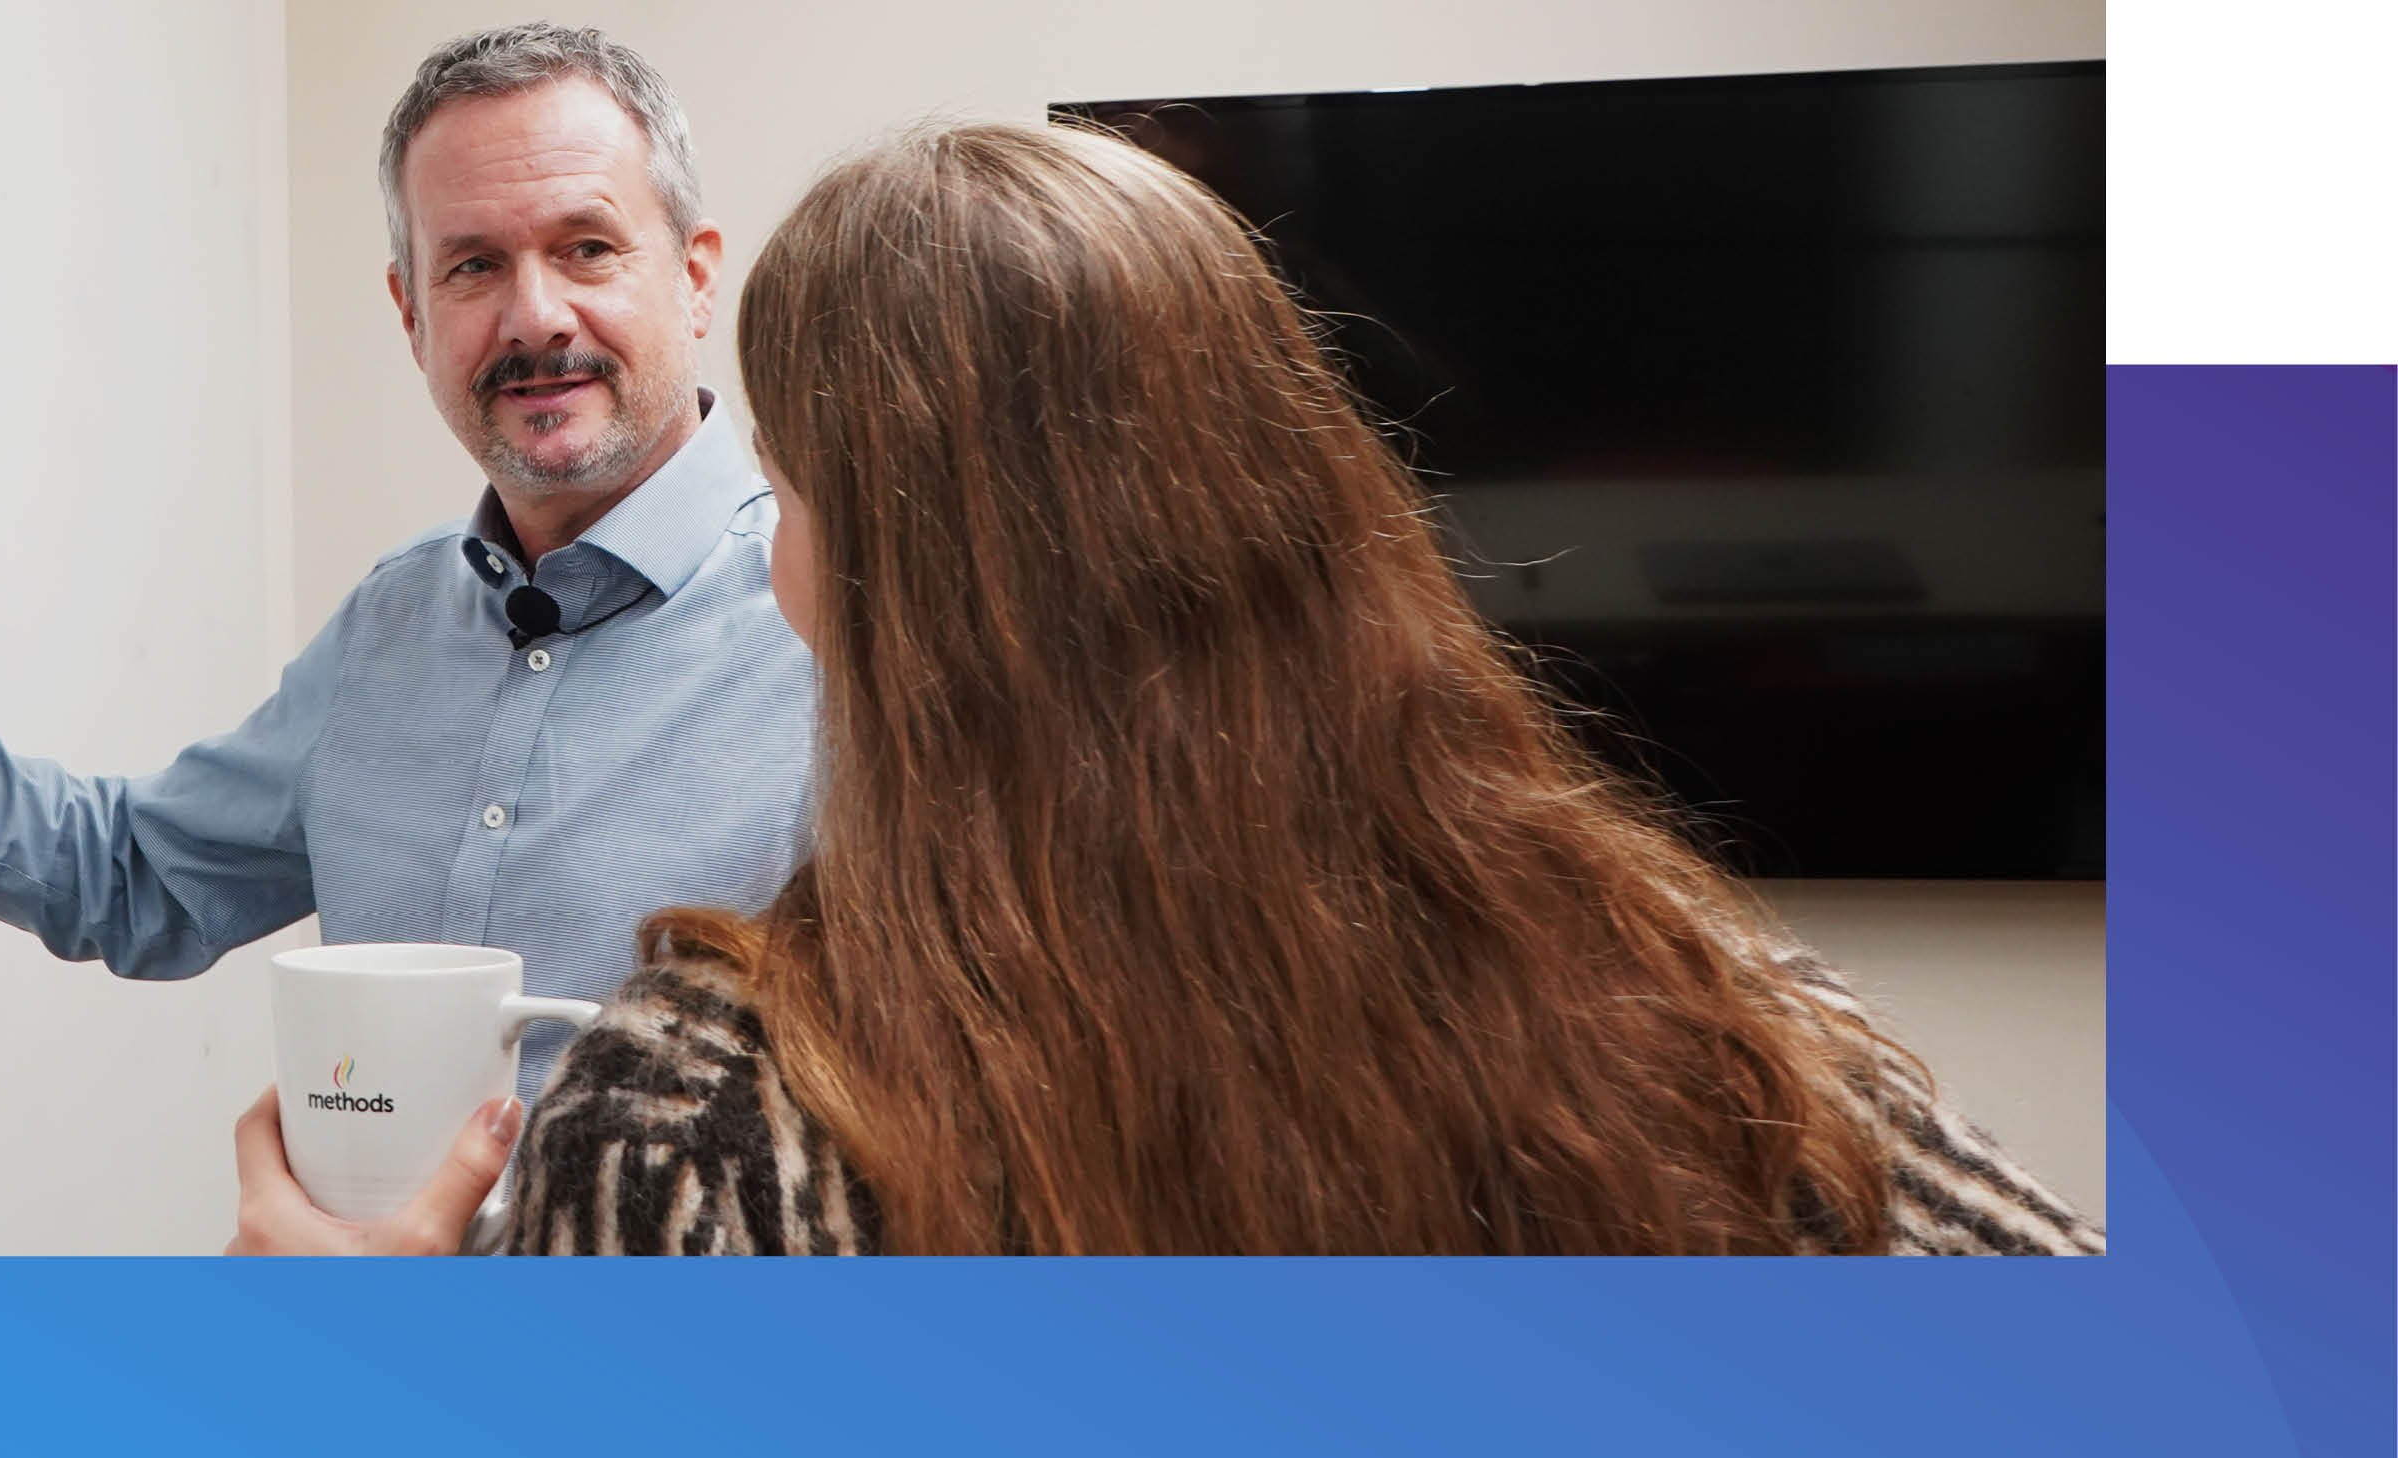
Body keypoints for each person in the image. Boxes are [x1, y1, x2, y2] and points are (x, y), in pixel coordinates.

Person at [229, 120, 2104, 1257]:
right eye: (471, 262)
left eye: (786, 493)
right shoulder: (1696, 1012)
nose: (534, 311)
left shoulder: (716, 1116)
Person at [0, 25, 812, 1107]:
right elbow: (136, 876)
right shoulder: (397, 624)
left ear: (696, 275)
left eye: (587, 247)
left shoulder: (847, 634)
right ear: (412, 315)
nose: (534, 315)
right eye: (473, 265)